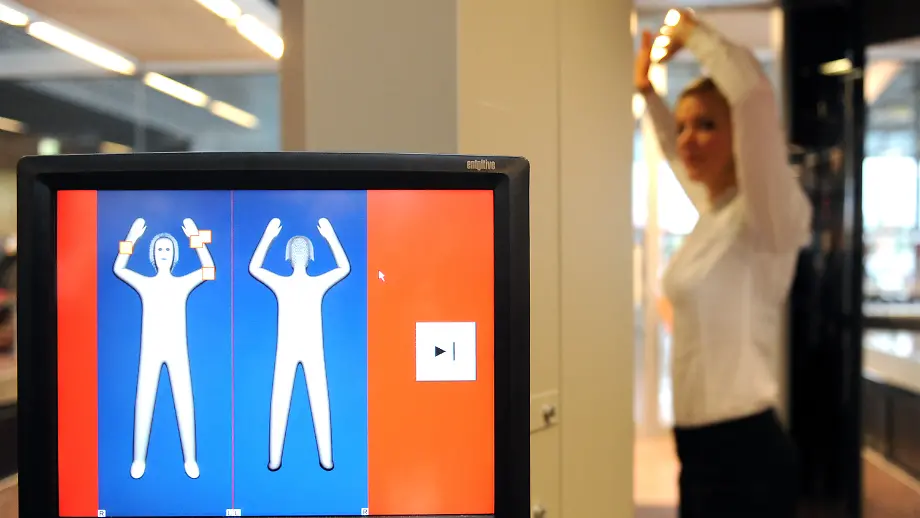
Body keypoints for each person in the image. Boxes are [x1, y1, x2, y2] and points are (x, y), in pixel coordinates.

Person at [635, 9, 812, 517]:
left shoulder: (766, 218)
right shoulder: (714, 216)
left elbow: (753, 97)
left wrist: (693, 32)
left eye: (707, 124)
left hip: (746, 454)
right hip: (697, 449)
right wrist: (645, 91)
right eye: (683, 125)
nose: (687, 139)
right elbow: (674, 152)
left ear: (742, 138)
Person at [114, 217, 215, 480]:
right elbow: (119, 268)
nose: (163, 253)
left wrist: (195, 238)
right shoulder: (145, 283)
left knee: (184, 401)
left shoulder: (182, 284)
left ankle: (190, 459)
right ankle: (138, 459)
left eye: (168, 249)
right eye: (159, 248)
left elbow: (208, 268)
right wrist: (132, 237)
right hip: (150, 352)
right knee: (144, 401)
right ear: (152, 254)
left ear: (175, 255)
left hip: (177, 351)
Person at [249, 217, 350, 472]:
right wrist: (268, 236)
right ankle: (274, 460)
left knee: (319, 399)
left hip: (313, 351)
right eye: (295, 248)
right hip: (286, 350)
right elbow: (255, 268)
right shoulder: (281, 283)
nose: (299, 252)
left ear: (311, 255)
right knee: (280, 398)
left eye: (304, 248)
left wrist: (330, 236)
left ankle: (327, 459)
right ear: (288, 256)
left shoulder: (318, 283)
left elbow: (344, 268)